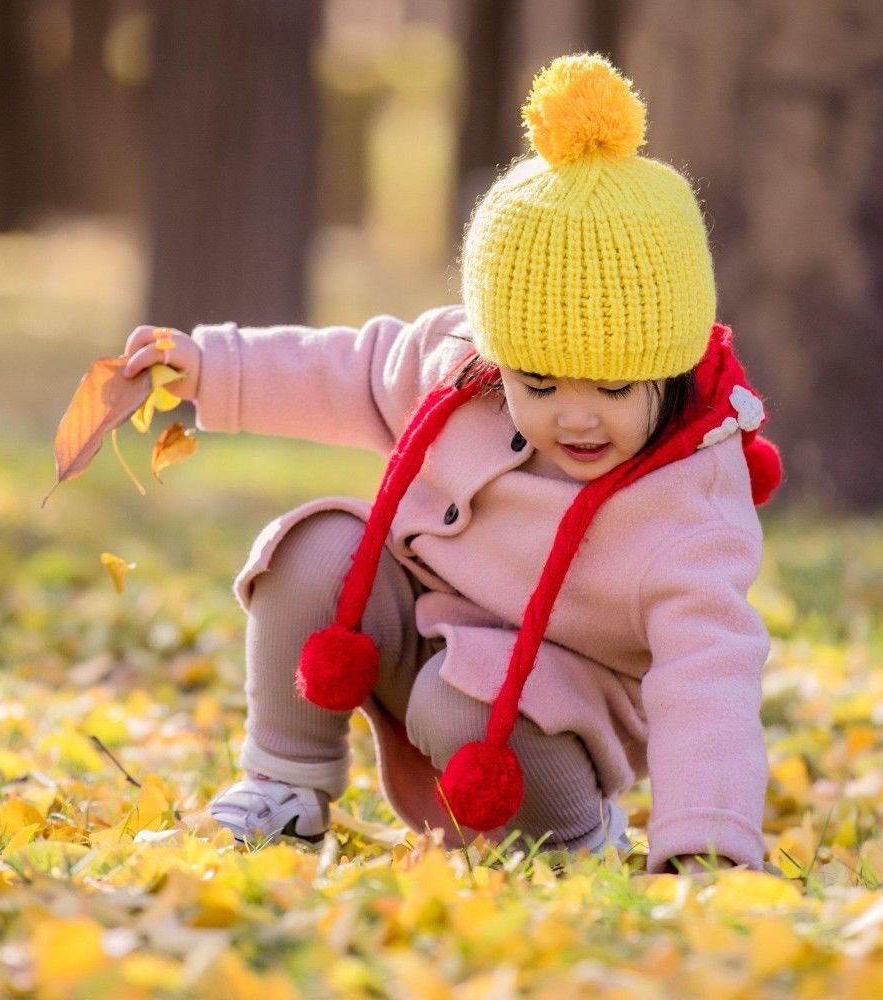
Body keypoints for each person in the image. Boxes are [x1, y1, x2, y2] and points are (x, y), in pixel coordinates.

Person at [120, 54, 781, 875]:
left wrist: (708, 845)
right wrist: (210, 368)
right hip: (424, 639)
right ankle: (285, 784)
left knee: (460, 698)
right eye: (536, 382)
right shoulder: (459, 373)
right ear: (497, 355)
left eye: (612, 387)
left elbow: (706, 680)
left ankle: (577, 841)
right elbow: (349, 371)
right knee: (313, 548)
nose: (574, 415)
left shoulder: (686, 503)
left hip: (545, 720)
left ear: (670, 366)